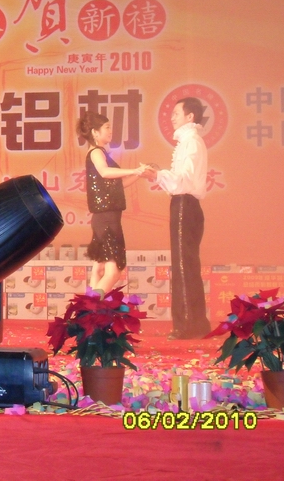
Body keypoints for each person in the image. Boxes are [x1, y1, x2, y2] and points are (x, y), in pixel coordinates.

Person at [144, 97, 212, 340]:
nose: (172, 117)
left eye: (176, 113)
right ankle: (196, 323)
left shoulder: (191, 142)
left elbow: (183, 180)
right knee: (187, 264)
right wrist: (159, 175)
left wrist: (158, 174)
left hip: (185, 205)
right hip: (184, 204)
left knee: (183, 265)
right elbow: (179, 181)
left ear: (190, 116)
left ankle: (187, 325)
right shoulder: (189, 141)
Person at [76, 111, 149, 295]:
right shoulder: (96, 152)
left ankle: (90, 307)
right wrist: (133, 170)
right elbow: (105, 172)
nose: (110, 131)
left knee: (99, 269)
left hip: (105, 218)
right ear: (95, 132)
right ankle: (91, 306)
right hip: (107, 219)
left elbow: (118, 185)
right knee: (113, 271)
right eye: (107, 127)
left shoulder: (100, 153)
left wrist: (138, 174)